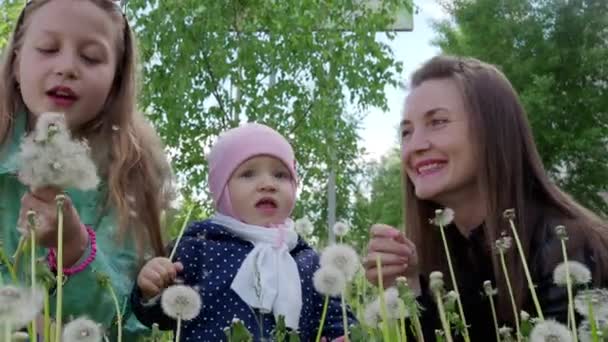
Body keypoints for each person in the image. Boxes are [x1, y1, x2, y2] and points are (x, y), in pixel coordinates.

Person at [363, 55, 608, 340]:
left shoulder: (568, 250)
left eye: (438, 122)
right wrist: (409, 290)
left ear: (493, 130)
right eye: (406, 132)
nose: (414, 145)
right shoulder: (443, 257)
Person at [0, 0, 174, 339]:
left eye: (91, 57)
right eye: (48, 49)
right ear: (18, 57)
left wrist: (74, 248)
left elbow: (123, 319)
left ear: (115, 79)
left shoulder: (128, 181)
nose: (67, 67)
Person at [131, 123, 355, 341]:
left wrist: (344, 335)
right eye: (248, 174)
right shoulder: (196, 247)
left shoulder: (308, 261)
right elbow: (163, 316)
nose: (268, 184)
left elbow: (337, 319)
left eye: (280, 175)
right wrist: (150, 290)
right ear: (222, 188)